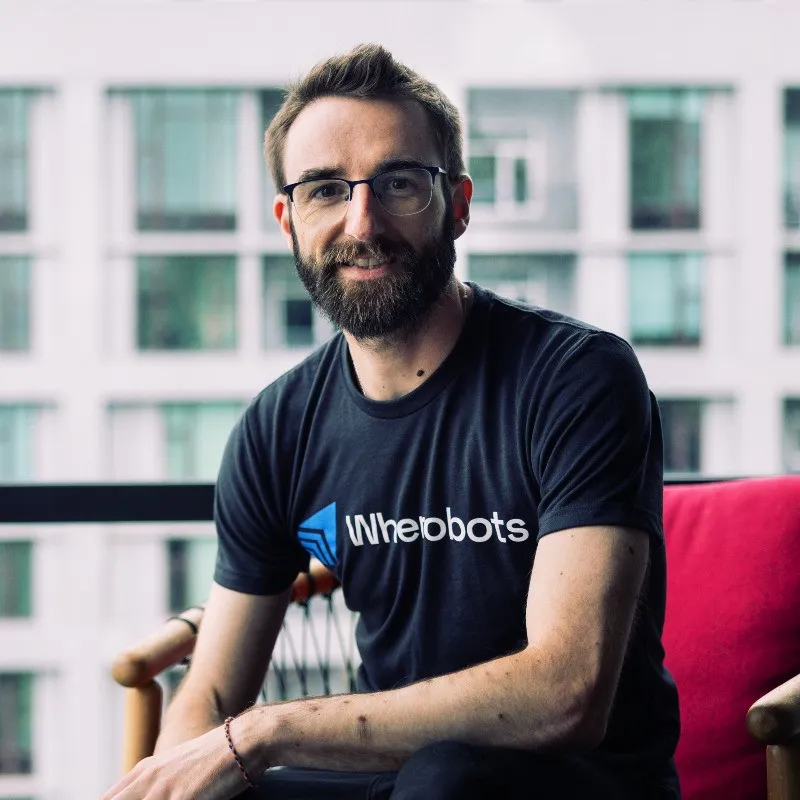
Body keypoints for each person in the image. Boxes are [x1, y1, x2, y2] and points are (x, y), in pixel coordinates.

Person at [102, 43, 680, 800]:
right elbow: (209, 700)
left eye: (400, 183)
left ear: (460, 204)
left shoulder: (575, 377)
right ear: (288, 220)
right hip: (392, 778)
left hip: (574, 782)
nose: (361, 221)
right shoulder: (278, 428)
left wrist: (271, 730)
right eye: (325, 189)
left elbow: (566, 692)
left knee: (445, 778)